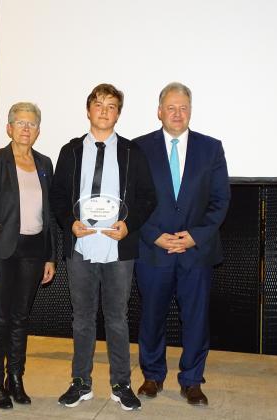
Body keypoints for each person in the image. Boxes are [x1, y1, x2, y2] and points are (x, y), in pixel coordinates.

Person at [50, 84, 156, 411]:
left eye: (112, 106)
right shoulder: (70, 151)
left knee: (117, 318)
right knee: (81, 318)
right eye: (99, 104)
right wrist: (70, 221)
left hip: (118, 249)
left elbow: (148, 197)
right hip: (81, 245)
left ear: (118, 114)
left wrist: (129, 225)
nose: (104, 111)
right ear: (88, 110)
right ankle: (80, 382)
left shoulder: (131, 152)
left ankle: (121, 383)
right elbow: (56, 196)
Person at [134, 82, 230, 406]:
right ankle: (152, 375)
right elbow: (130, 199)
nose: (177, 113)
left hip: (196, 251)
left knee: (196, 318)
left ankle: (192, 380)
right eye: (171, 107)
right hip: (153, 249)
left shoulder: (211, 148)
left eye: (183, 107)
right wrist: (152, 234)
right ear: (159, 111)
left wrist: (194, 236)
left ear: (191, 111)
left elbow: (220, 200)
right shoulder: (138, 148)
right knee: (152, 317)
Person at [0, 102, 56, 409]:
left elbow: (49, 215)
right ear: (9, 128)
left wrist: (50, 256)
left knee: (21, 318)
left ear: (38, 131)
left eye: (31, 123)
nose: (26, 128)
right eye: (20, 123)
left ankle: (16, 379)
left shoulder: (45, 163)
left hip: (34, 251)